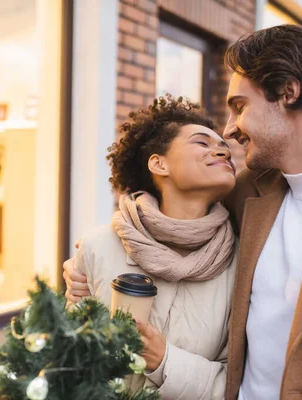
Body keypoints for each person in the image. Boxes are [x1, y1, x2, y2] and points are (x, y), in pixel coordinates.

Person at [65, 25, 302, 400]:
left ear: (288, 92)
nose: (230, 131)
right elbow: (172, 232)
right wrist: (90, 265)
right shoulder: (244, 192)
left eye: (239, 106)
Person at [70, 95, 237, 399]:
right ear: (159, 164)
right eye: (202, 143)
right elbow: (67, 359)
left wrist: (164, 361)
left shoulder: (241, 262)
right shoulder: (97, 246)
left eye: (223, 147)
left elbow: (237, 383)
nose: (222, 150)